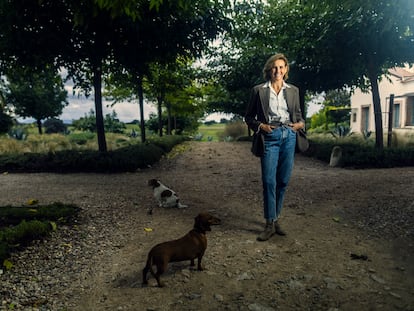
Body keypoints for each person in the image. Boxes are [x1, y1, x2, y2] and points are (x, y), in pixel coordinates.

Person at [245, 53, 305, 241]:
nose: (277, 71)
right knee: (269, 181)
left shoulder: (294, 90)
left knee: (283, 181)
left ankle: (276, 218)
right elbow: (248, 117)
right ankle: (269, 223)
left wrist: (300, 125)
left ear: (286, 69)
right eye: (274, 67)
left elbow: (300, 115)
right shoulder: (258, 90)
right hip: (269, 136)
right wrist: (261, 126)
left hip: (289, 135)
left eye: (281, 67)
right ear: (269, 70)